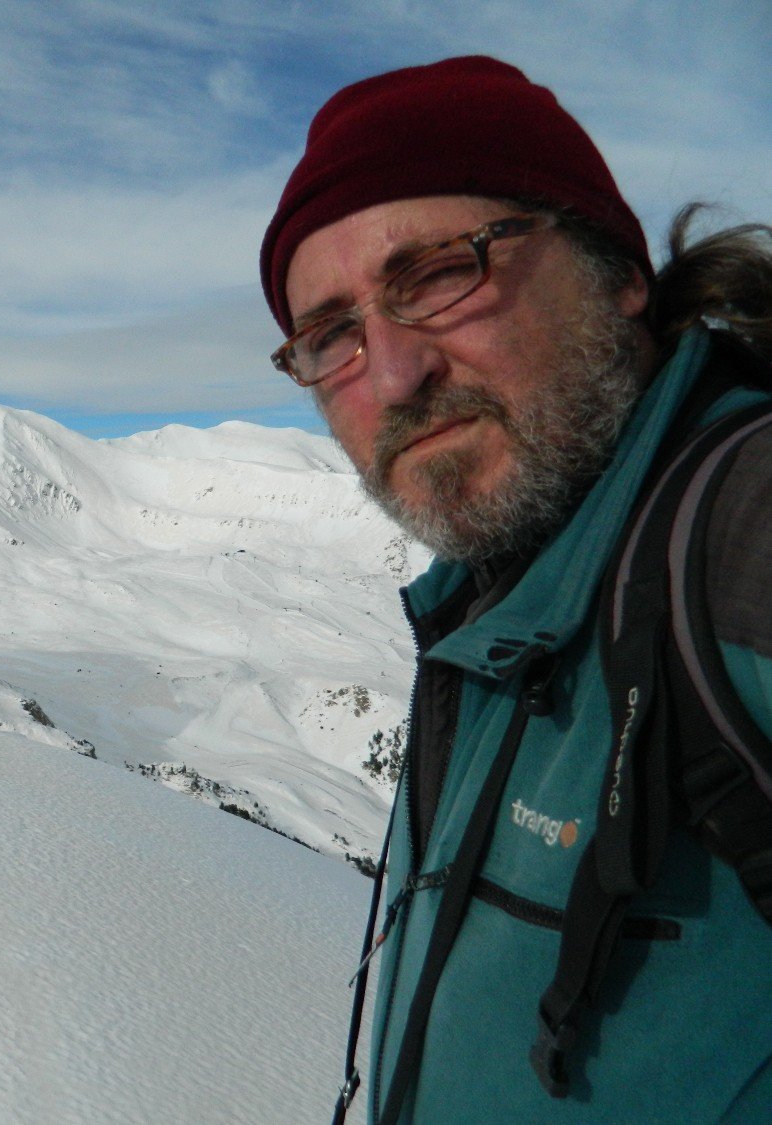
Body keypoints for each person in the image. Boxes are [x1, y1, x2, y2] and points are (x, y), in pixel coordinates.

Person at [258, 56, 772, 1123]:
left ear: (618, 272)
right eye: (331, 336)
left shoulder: (739, 534)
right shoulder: (492, 595)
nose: (394, 375)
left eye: (438, 274)